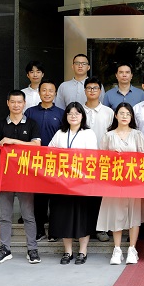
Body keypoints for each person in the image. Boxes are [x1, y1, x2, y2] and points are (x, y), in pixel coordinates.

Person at [0, 90, 41, 265]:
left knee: (28, 215)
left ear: (24, 103)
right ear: (8, 103)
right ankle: (5, 249)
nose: (16, 105)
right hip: (5, 177)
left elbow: (36, 146)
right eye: (13, 102)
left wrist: (13, 141)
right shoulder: (0, 125)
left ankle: (32, 249)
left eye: (19, 102)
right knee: (5, 216)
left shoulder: (32, 124)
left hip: (26, 177)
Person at [48, 102, 99, 265]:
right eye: (70, 113)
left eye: (77, 113)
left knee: (83, 217)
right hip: (63, 183)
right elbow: (49, 152)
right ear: (66, 116)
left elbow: (92, 157)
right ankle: (68, 251)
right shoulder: (60, 133)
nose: (73, 116)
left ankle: (83, 251)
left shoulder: (88, 133)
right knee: (64, 216)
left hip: (82, 183)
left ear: (82, 116)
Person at [97, 103, 144, 265]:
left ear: (131, 117)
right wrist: (111, 155)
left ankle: (132, 249)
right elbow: (101, 159)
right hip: (114, 181)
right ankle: (117, 249)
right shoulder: (108, 136)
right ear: (116, 116)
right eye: (121, 113)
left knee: (134, 214)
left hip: (133, 181)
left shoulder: (138, 135)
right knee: (116, 214)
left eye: (128, 113)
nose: (125, 116)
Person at [24, 80, 65, 241]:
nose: (47, 93)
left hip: (56, 161)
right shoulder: (30, 112)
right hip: (36, 162)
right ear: (39, 93)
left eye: (51, 90)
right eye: (44, 90)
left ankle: (54, 231)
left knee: (56, 198)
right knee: (39, 198)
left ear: (55, 93)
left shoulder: (61, 113)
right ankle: (39, 230)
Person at [82, 76, 114, 243]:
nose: (92, 91)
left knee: (102, 196)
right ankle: (85, 228)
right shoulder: (78, 110)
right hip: (82, 160)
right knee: (84, 196)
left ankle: (101, 229)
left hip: (103, 160)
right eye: (89, 88)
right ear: (85, 90)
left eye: (95, 88)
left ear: (100, 91)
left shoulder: (109, 112)